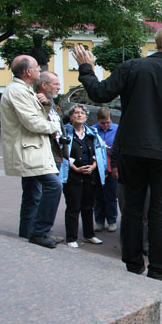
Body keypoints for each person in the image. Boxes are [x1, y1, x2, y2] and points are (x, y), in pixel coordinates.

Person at [72, 26, 162, 283]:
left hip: (130, 149)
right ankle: (159, 267)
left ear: (157, 43)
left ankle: (133, 264)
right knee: (158, 210)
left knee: (132, 208)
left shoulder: (132, 67)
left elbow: (99, 93)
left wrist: (87, 67)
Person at [1, 55, 63, 248]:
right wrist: (55, 127)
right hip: (29, 151)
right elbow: (32, 123)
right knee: (54, 186)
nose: (39, 70)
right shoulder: (18, 92)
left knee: (32, 195)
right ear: (28, 72)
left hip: (32, 150)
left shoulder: (24, 90)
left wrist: (46, 105)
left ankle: (27, 235)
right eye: (37, 67)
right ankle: (40, 231)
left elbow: (35, 117)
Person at [59, 104, 107, 248]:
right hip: (73, 175)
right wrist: (75, 168)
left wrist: (92, 167)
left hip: (89, 175)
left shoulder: (92, 133)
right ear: (71, 116)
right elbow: (62, 153)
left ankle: (89, 235)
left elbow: (99, 152)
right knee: (73, 206)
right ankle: (71, 237)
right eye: (76, 113)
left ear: (86, 117)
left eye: (82, 113)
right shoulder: (65, 133)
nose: (79, 115)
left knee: (88, 206)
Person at [91, 107, 119, 232]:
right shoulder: (93, 129)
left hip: (111, 166)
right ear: (98, 121)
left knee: (111, 195)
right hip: (98, 167)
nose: (105, 125)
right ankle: (99, 220)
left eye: (107, 122)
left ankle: (112, 220)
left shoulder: (117, 129)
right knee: (98, 195)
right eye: (102, 123)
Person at [34, 71, 66, 173]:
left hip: (55, 155)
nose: (59, 88)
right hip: (44, 157)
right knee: (52, 186)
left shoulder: (50, 102)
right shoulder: (34, 101)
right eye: (55, 84)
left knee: (55, 186)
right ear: (44, 85)